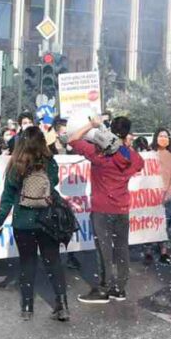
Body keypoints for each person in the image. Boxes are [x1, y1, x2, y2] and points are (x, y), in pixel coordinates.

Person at [0, 126, 69, 321]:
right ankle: (62, 304)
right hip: (47, 220)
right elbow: (54, 182)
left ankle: (27, 306)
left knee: (27, 263)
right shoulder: (50, 162)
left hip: (23, 222)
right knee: (53, 261)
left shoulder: (16, 165)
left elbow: (7, 197)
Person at [69, 116, 144, 303]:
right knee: (121, 248)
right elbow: (139, 164)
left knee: (104, 249)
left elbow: (72, 140)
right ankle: (119, 288)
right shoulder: (130, 155)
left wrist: (92, 125)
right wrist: (125, 145)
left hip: (102, 208)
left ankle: (103, 289)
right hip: (121, 208)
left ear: (110, 129)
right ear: (128, 133)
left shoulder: (98, 153)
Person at [149, 128, 171, 264]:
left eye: (166, 136)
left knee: (165, 224)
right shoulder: (149, 155)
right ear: (155, 138)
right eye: (160, 136)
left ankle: (163, 252)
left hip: (166, 196)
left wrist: (168, 195)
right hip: (150, 196)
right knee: (149, 223)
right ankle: (149, 250)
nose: (163, 138)